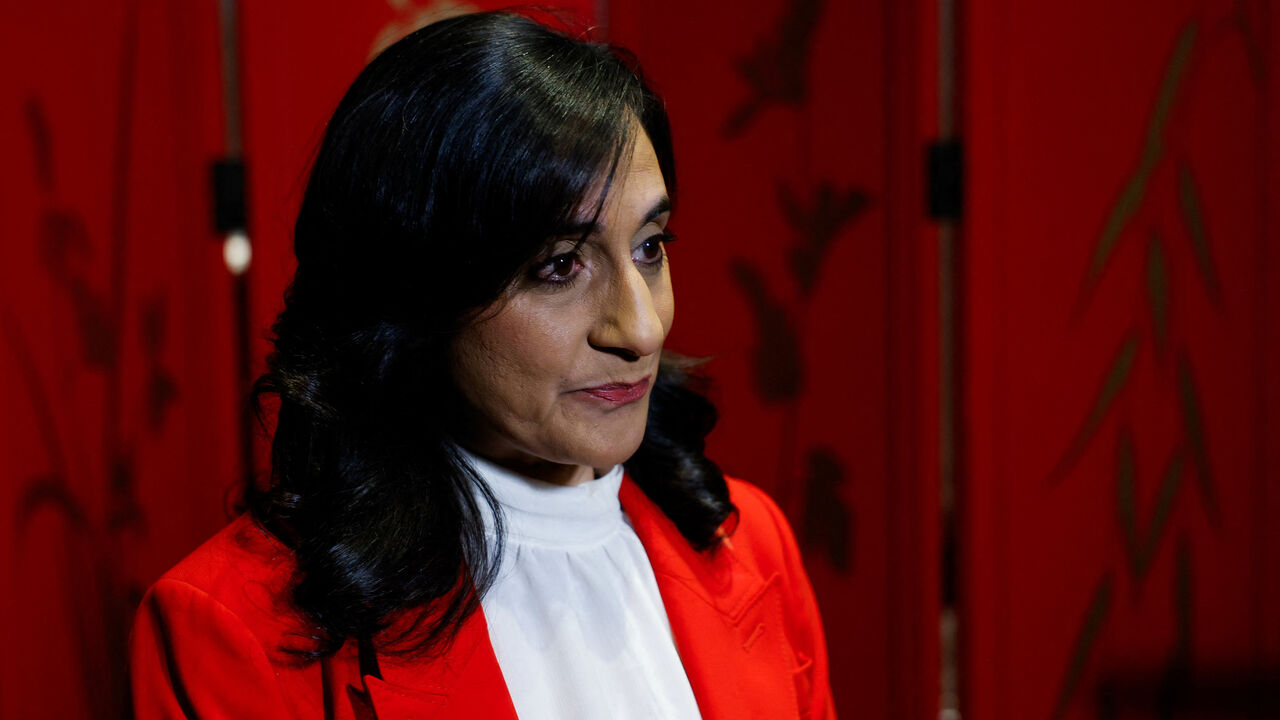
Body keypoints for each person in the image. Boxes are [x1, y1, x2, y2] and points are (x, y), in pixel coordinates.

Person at [130, 11, 834, 720]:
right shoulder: (232, 629)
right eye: (560, 266)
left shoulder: (749, 543)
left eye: (650, 247)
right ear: (414, 292)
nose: (642, 327)